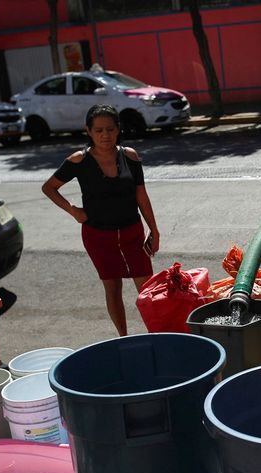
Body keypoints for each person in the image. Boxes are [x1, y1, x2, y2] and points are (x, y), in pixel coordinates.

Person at [42, 104, 160, 337]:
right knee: (112, 287)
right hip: (98, 237)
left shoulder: (130, 156)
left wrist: (154, 231)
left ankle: (156, 335)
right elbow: (49, 188)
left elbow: (141, 195)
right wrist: (73, 210)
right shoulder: (78, 160)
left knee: (148, 289)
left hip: (132, 233)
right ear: (89, 131)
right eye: (98, 130)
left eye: (110, 129)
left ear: (118, 130)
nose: (105, 135)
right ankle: (123, 337)